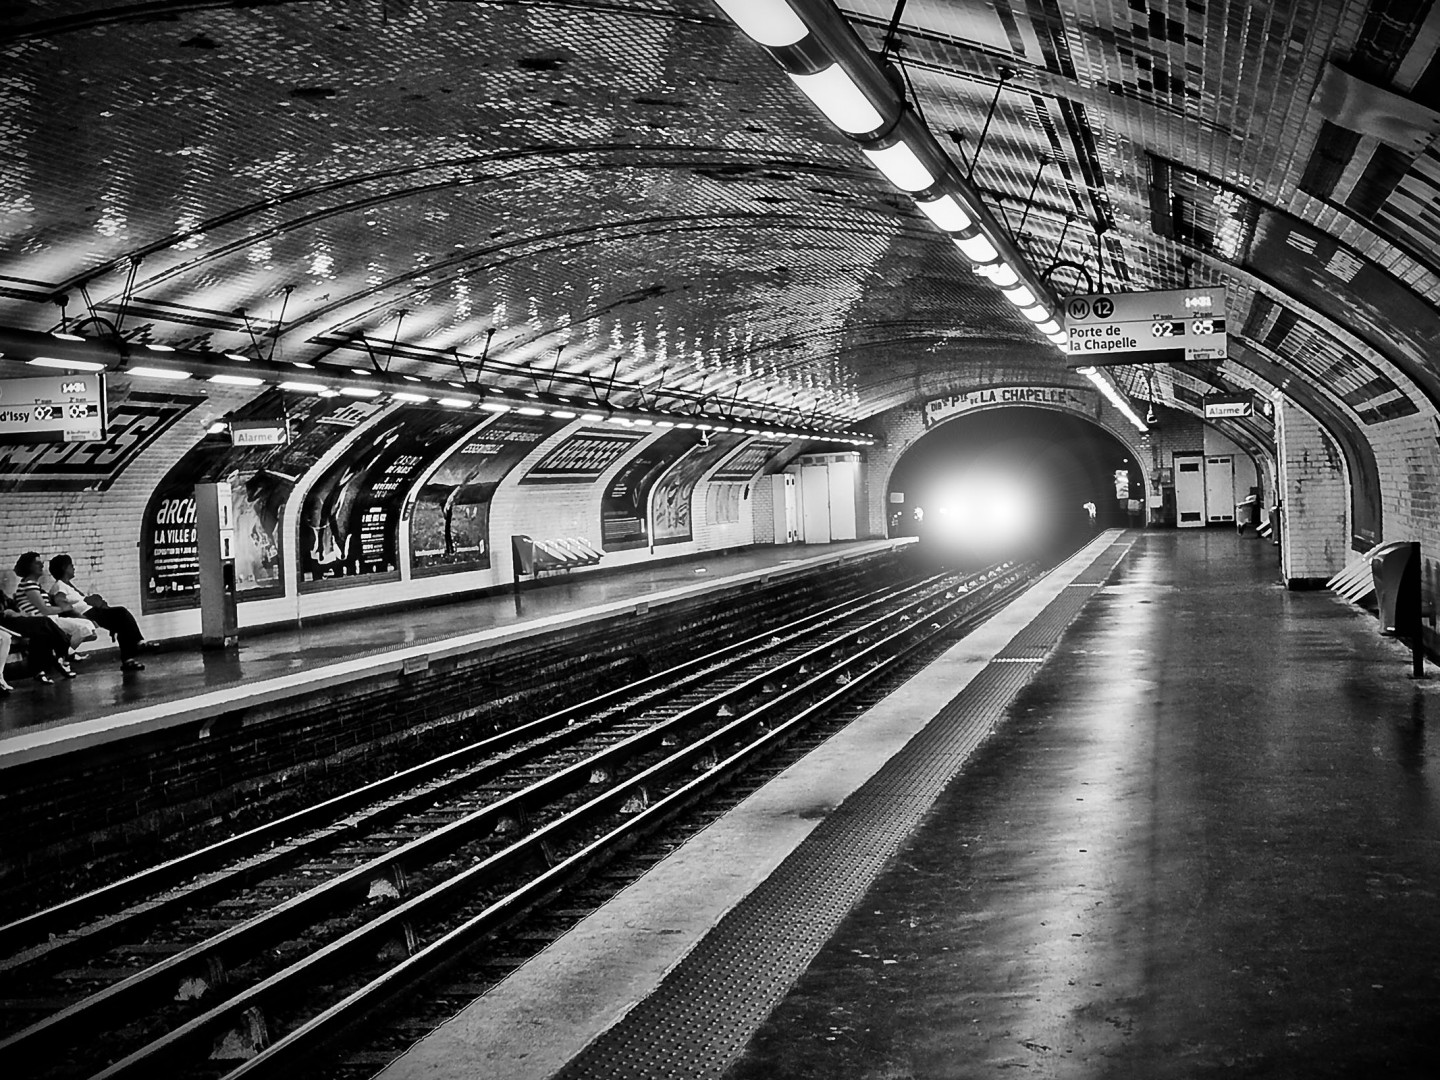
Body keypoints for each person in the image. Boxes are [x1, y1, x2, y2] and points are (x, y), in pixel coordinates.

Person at [47, 553, 147, 671]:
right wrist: (82, 618)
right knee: (122, 612)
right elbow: (62, 604)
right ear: (64, 568)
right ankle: (138, 642)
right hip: (88, 613)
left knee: (122, 624)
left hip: (91, 611)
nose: (74, 568)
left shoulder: (66, 585)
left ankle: (129, 660)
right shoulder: (59, 585)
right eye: (71, 565)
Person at [11, 553, 96, 656]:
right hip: (42, 621)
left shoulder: (34, 585)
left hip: (50, 619)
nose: (41, 566)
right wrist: (62, 608)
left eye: (41, 563)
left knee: (87, 626)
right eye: (37, 563)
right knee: (84, 628)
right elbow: (44, 609)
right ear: (28, 566)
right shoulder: (29, 584)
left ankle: (64, 654)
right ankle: (66, 655)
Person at [1, 571, 75, 685]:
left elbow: (11, 604)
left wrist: (18, 612)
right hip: (6, 623)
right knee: (44, 621)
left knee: (41, 634)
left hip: (16, 619)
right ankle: (63, 651)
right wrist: (10, 612)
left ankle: (39, 671)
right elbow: (4, 612)